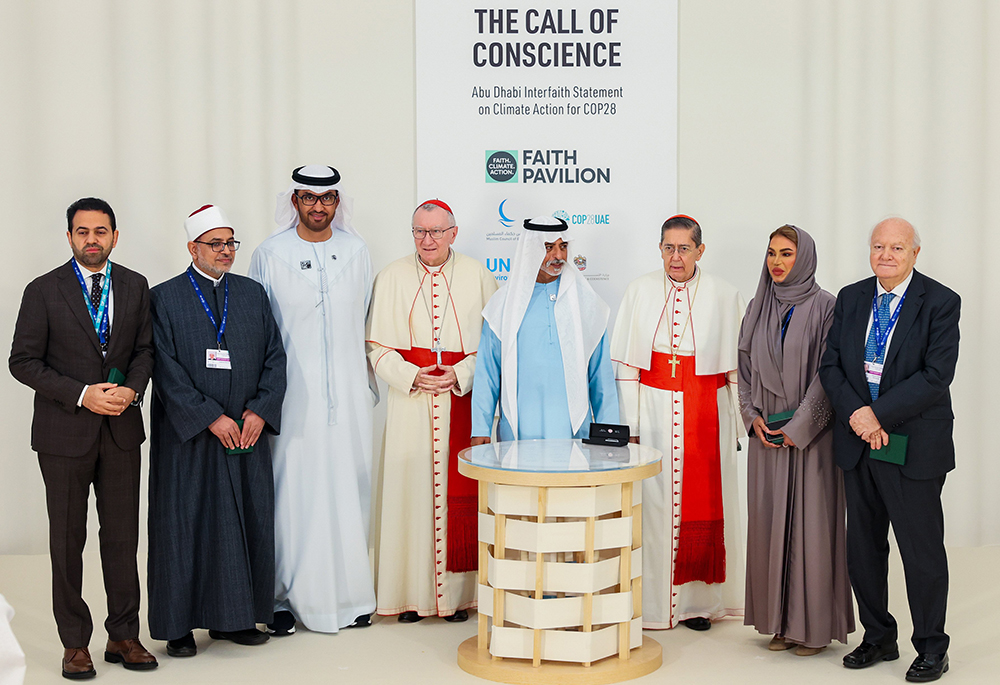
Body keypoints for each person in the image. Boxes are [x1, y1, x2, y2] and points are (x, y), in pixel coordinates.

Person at [9, 197, 157, 677]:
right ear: (69, 237)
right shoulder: (43, 290)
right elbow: (23, 361)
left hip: (120, 431)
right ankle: (74, 643)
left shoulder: (135, 287)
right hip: (63, 435)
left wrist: (131, 390)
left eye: (101, 231)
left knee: (121, 538)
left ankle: (124, 635)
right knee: (66, 541)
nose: (91, 239)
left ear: (116, 236)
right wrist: (81, 395)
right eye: (82, 231)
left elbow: (144, 350)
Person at [819, 217, 959, 682]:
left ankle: (932, 647)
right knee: (863, 548)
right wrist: (860, 415)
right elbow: (832, 365)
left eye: (897, 247)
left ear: (915, 253)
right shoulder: (853, 297)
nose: (886, 255)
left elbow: (936, 376)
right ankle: (878, 636)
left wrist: (878, 415)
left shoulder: (940, 302)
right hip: (859, 443)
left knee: (920, 551)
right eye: (878, 246)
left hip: (913, 443)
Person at [147, 204, 286, 657]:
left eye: (231, 243)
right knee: (184, 523)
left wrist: (260, 411)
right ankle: (179, 626)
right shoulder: (163, 297)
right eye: (216, 244)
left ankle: (236, 618)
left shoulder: (252, 293)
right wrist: (209, 416)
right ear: (192, 248)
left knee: (246, 520)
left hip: (246, 431)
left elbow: (275, 358)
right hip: (190, 436)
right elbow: (163, 368)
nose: (226, 251)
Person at [248, 165, 378, 635]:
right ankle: (282, 597)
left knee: (350, 488)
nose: (318, 207)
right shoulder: (269, 253)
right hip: (290, 398)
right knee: (291, 493)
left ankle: (353, 595)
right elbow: (253, 329)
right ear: (295, 202)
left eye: (326, 199)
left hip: (347, 398)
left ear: (337, 204)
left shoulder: (357, 251)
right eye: (308, 198)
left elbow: (365, 322)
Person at [610, 214, 744, 631]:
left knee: (706, 499)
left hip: (708, 411)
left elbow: (738, 371)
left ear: (700, 251)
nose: (675, 257)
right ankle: (651, 603)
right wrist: (630, 427)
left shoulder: (724, 294)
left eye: (684, 248)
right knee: (652, 505)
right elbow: (627, 368)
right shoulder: (640, 289)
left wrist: (740, 426)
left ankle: (697, 604)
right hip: (651, 412)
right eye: (668, 247)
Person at [367, 200, 497, 623]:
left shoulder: (479, 274)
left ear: (453, 233)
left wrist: (460, 373)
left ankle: (459, 597)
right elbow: (376, 346)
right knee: (410, 495)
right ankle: (409, 597)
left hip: (461, 400)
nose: (427, 241)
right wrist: (411, 375)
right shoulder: (392, 275)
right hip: (411, 403)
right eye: (420, 232)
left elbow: (494, 347)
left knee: (463, 495)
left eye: (436, 232)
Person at [737, 225, 854, 656]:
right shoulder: (757, 305)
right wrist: (753, 419)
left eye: (787, 253)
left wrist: (800, 426)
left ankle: (814, 628)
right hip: (767, 438)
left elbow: (830, 374)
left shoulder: (828, 307)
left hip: (812, 439)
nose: (777, 262)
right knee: (770, 525)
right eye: (771, 253)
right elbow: (744, 371)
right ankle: (779, 623)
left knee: (812, 528)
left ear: (803, 257)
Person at [470, 216, 617, 443]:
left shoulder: (585, 302)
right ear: (531, 250)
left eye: (563, 247)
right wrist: (480, 428)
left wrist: (610, 431)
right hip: (520, 430)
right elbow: (487, 374)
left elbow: (602, 377)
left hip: (574, 431)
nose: (558, 256)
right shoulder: (503, 305)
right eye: (549, 248)